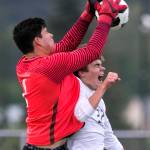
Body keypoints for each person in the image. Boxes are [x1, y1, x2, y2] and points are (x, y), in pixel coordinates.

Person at [13, 0, 127, 149]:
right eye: (46, 32)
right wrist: (105, 17)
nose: (51, 34)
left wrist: (88, 13)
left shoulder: (24, 64)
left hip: (44, 145)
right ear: (37, 41)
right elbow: (92, 52)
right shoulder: (48, 66)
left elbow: (67, 45)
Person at [67, 57, 124, 150]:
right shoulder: (75, 90)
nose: (103, 68)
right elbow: (80, 115)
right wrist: (103, 87)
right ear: (81, 72)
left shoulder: (98, 99)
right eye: (97, 65)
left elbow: (108, 136)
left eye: (101, 65)